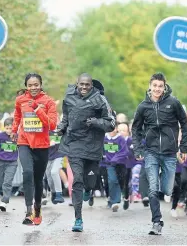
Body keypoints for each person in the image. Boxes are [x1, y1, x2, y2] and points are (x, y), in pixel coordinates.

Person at [131, 72, 187, 235]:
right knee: (153, 188)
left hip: (170, 152)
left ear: (164, 87)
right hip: (151, 152)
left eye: (160, 86)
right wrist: (138, 148)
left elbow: (184, 123)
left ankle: (169, 191)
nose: (157, 89)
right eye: (154, 85)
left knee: (167, 190)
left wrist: (183, 147)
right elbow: (135, 128)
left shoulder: (173, 103)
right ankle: (157, 221)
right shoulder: (143, 106)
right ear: (150, 86)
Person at [58, 73, 115, 232]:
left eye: (87, 85)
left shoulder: (100, 99)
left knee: (89, 183)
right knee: (76, 179)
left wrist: (95, 122)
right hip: (74, 144)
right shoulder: (69, 97)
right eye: (81, 84)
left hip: (93, 146)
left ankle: (88, 191)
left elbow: (111, 124)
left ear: (92, 85)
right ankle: (78, 218)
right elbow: (66, 117)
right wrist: (61, 127)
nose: (83, 87)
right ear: (77, 84)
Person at [11, 73, 57, 226]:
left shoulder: (49, 101)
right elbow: (17, 116)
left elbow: (52, 125)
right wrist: (14, 130)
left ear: (41, 84)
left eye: (36, 85)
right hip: (24, 141)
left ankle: (37, 208)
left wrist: (38, 109)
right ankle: (29, 210)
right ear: (26, 86)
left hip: (42, 145)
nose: (33, 88)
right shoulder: (20, 100)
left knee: (38, 179)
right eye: (30, 85)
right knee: (28, 172)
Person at [0, 117, 19, 212]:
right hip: (0, 162)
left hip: (12, 162)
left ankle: (4, 201)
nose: (9, 131)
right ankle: (1, 192)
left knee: (7, 182)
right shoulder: (0, 136)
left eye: (11, 128)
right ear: (4, 128)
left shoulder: (16, 136)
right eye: (7, 128)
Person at [104, 124, 130, 212]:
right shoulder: (104, 138)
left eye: (113, 128)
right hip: (109, 164)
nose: (111, 131)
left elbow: (124, 151)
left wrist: (115, 159)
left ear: (116, 129)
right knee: (112, 180)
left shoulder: (120, 139)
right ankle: (114, 201)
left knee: (121, 182)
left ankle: (124, 198)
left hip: (121, 165)